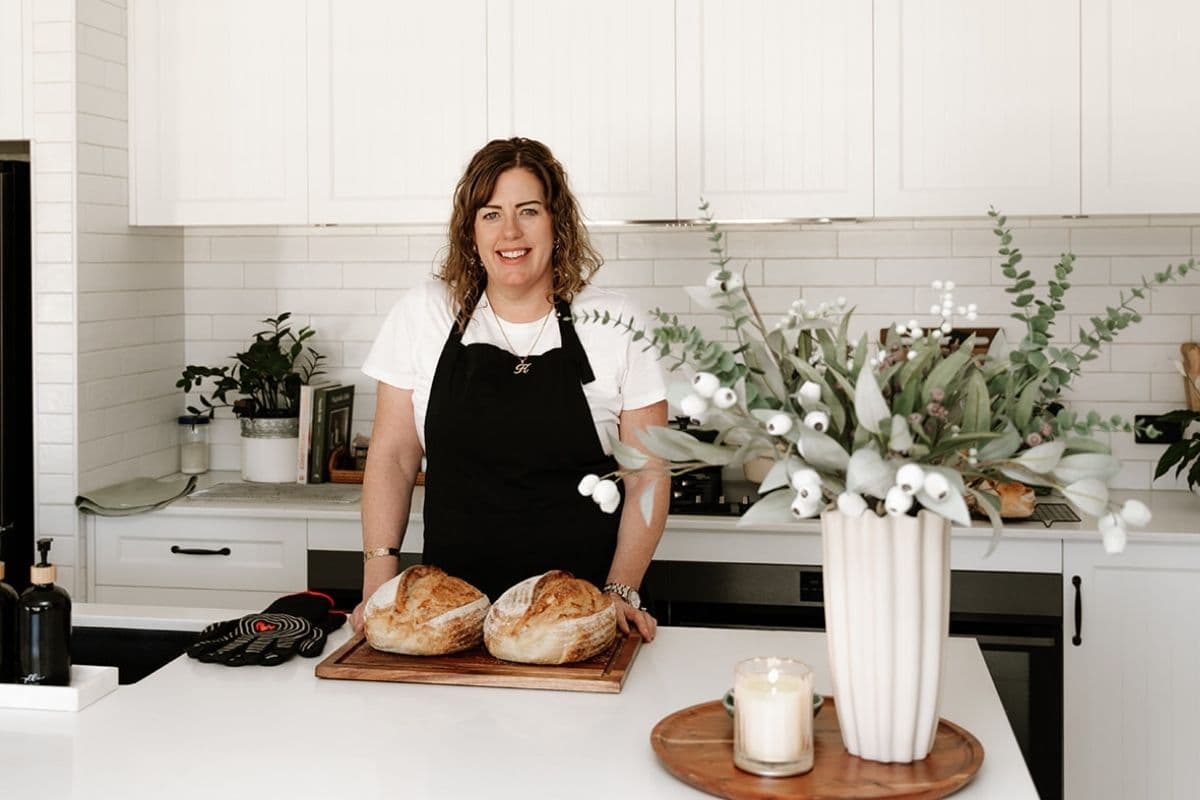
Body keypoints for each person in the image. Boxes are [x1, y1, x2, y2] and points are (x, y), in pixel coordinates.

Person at [353, 137, 668, 641]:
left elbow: (649, 473)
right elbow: (392, 456)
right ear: (470, 230)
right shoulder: (423, 314)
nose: (511, 232)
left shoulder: (616, 323)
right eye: (491, 214)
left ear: (556, 223)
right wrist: (377, 585)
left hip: (580, 621)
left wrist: (621, 591)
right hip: (446, 622)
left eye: (528, 211)